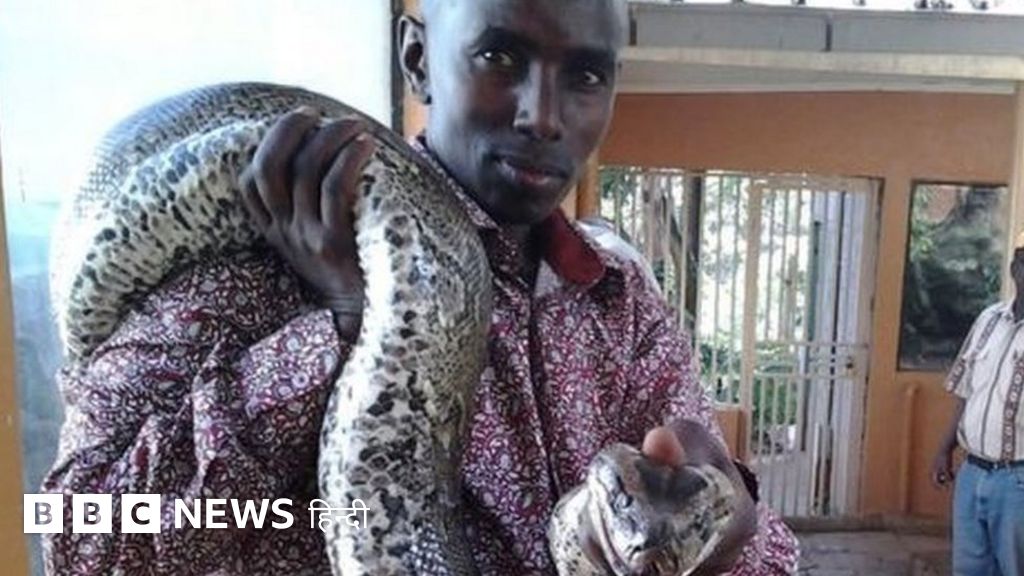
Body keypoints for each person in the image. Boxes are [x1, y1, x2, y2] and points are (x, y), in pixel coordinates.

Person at [42, 0, 798, 573]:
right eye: (499, 56)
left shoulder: (619, 299)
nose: (542, 116)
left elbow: (767, 555)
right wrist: (339, 334)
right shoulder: (251, 257)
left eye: (586, 75)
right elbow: (83, 536)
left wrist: (729, 527)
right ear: (416, 59)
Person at [932, 231, 1024, 575]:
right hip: (972, 473)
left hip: (1017, 482)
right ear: (1014, 268)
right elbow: (966, 389)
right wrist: (944, 449)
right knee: (969, 569)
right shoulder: (988, 320)